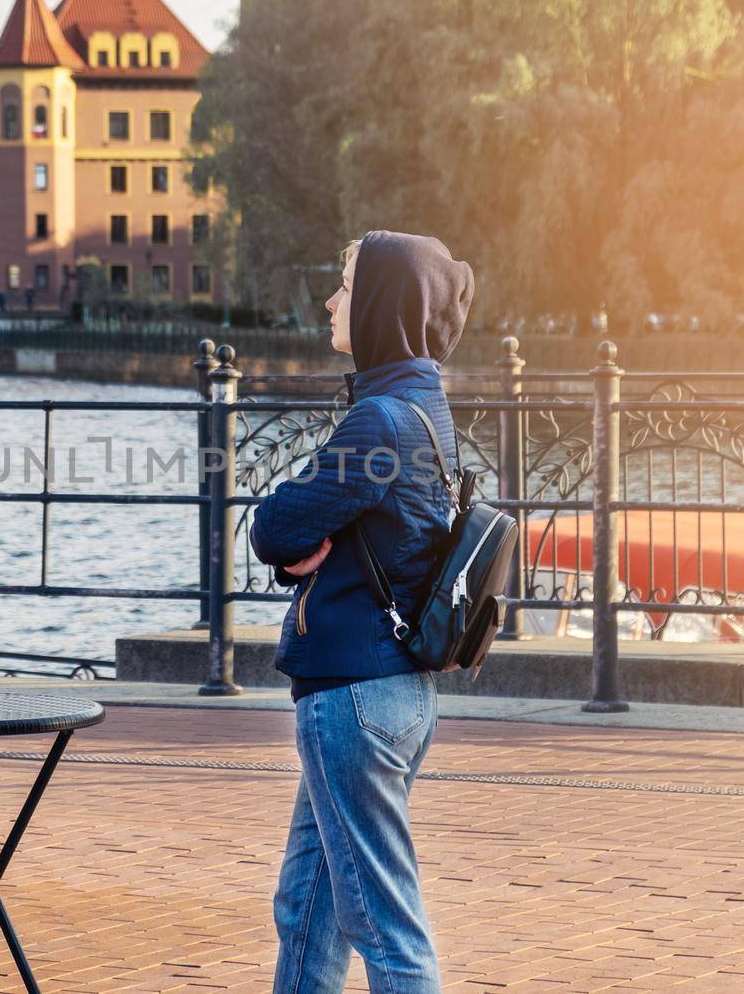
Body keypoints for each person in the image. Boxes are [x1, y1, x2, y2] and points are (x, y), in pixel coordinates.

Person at [249, 230, 475, 992]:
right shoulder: (422, 407)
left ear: (381, 300)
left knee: (385, 926)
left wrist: (296, 541)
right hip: (393, 692)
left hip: (356, 697)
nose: (331, 300)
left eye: (345, 284)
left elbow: (274, 524)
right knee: (307, 910)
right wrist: (307, 542)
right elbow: (317, 534)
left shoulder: (379, 422)